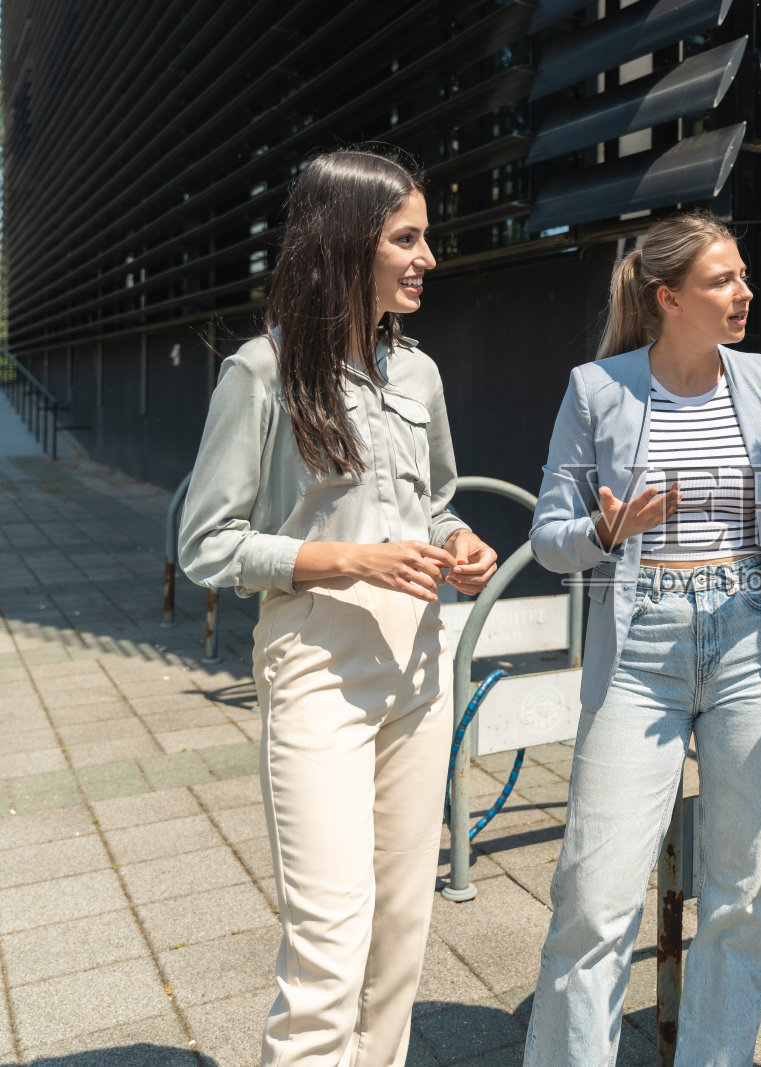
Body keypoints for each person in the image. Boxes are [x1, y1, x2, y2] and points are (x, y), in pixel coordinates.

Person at [179, 148, 498, 1067]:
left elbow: (435, 503)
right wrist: (346, 558)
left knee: (401, 929)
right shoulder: (260, 372)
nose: (427, 256)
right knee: (329, 939)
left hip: (420, 669)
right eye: (406, 237)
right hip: (317, 668)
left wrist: (459, 542)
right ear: (345, 242)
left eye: (425, 237)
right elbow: (206, 542)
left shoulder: (422, 376)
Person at [523, 212, 761, 1066]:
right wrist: (607, 529)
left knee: (739, 896)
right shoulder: (599, 390)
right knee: (595, 897)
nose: (744, 293)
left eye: (743, 277)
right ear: (667, 298)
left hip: (752, 643)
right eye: (722, 281)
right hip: (640, 654)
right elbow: (551, 537)